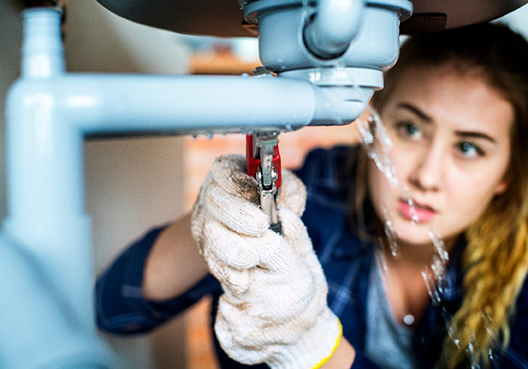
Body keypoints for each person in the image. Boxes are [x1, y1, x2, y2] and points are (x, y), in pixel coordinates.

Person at [95, 22, 528, 369]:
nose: (426, 175)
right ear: (374, 122)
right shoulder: (322, 190)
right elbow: (114, 308)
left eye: (468, 148)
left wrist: (317, 350)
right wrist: (207, 227)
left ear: (507, 172)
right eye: (410, 128)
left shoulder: (522, 273)